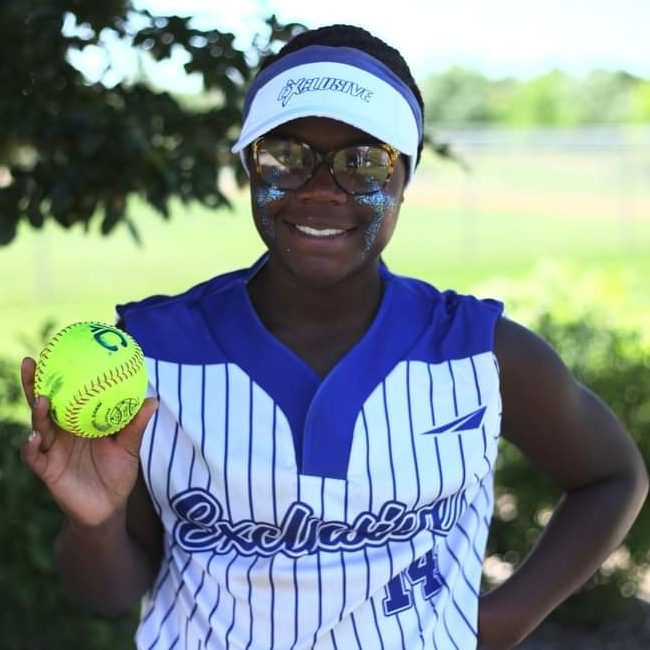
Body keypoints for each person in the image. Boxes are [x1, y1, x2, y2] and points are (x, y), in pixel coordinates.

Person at [21, 23, 647, 650]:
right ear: (248, 165)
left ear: (405, 179)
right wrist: (95, 523)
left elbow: (613, 478)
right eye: (285, 156)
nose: (321, 190)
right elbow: (107, 593)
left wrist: (501, 623)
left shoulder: (482, 354)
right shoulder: (152, 355)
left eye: (364, 162)